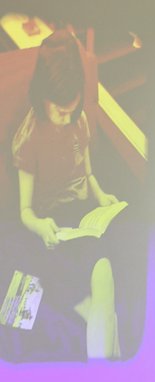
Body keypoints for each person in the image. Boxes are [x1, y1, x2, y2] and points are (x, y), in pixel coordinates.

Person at [11, 29, 122, 360]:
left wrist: (101, 196)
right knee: (92, 307)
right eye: (59, 111)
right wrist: (40, 225)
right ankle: (106, 361)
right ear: (42, 97)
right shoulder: (29, 138)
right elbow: (24, 211)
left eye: (71, 110)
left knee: (103, 276)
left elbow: (87, 173)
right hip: (50, 228)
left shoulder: (78, 119)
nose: (66, 117)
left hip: (82, 217)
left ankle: (105, 363)